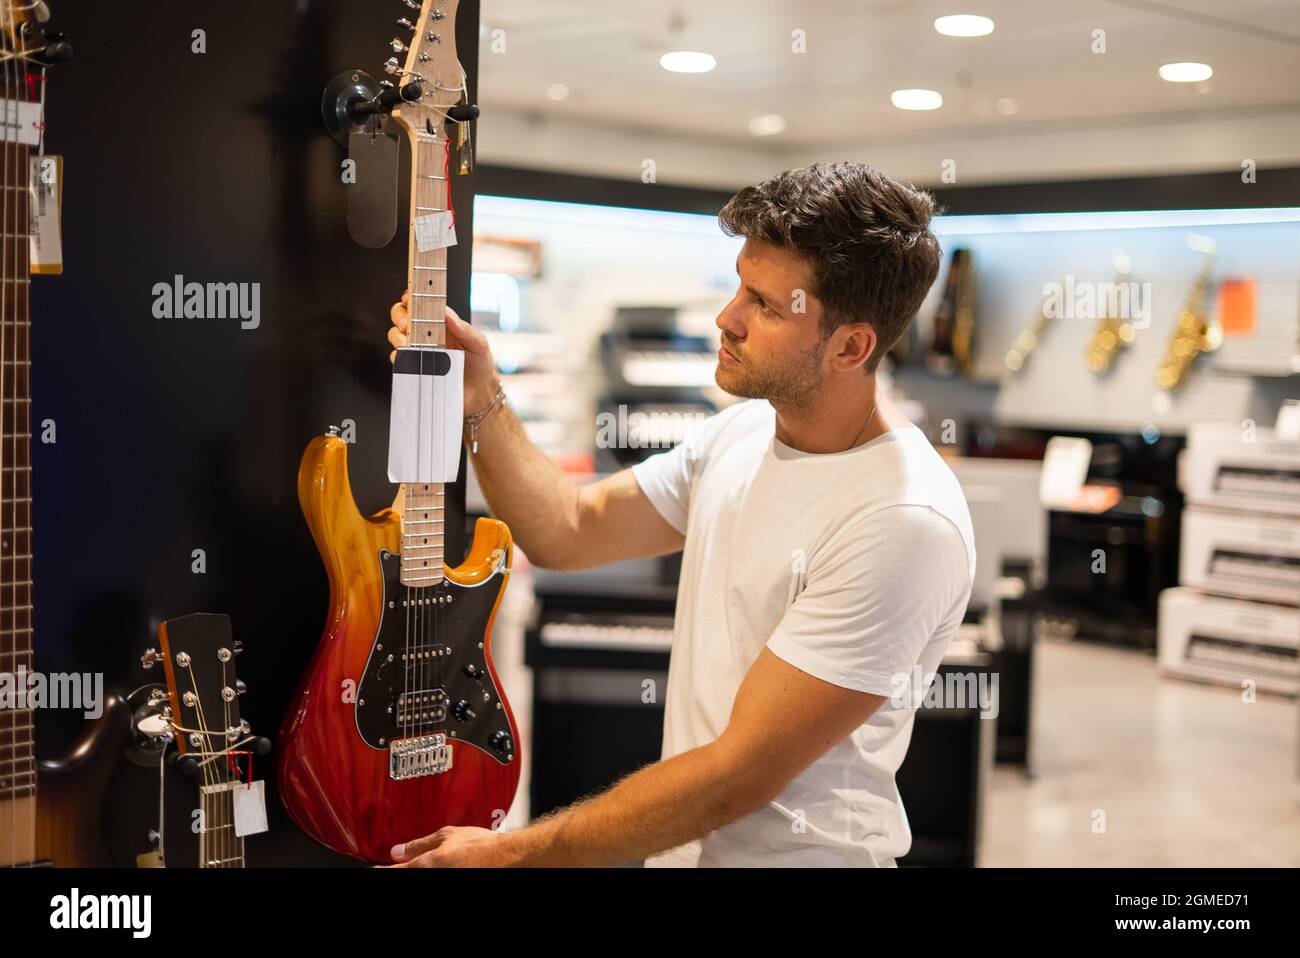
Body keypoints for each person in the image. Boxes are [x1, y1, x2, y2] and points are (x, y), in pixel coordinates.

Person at [385, 161, 975, 867]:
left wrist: (510, 855)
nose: (727, 318)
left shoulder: (902, 520)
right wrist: (482, 392)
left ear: (851, 346)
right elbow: (568, 530)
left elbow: (736, 777)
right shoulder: (743, 433)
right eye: (737, 284)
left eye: (762, 302)